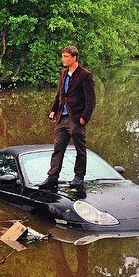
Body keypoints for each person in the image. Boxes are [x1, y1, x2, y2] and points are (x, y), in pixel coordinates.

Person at [39, 45, 96, 188]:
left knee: (80, 150)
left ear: (74, 58)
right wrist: (53, 110)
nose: (63, 59)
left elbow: (91, 100)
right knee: (58, 149)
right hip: (62, 118)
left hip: (76, 119)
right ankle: (52, 177)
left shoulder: (85, 75)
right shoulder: (63, 73)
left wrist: (83, 118)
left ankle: (78, 177)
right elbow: (59, 94)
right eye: (62, 56)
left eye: (66, 56)